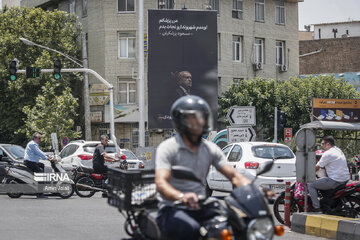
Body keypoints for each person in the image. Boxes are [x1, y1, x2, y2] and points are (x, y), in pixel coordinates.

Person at [155, 95, 274, 240]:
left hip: (201, 205)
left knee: (233, 226)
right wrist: (182, 196)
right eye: (193, 117)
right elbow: (161, 183)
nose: (199, 121)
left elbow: (234, 176)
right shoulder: (168, 147)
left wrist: (254, 189)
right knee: (190, 229)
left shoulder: (210, 148)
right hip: (172, 206)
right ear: (181, 120)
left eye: (202, 116)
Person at [308, 136, 350, 212]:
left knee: (310, 184)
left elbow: (317, 167)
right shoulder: (338, 150)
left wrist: (307, 172)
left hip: (335, 180)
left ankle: (316, 207)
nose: (322, 146)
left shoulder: (328, 153)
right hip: (344, 179)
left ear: (328, 144)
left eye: (323, 144)